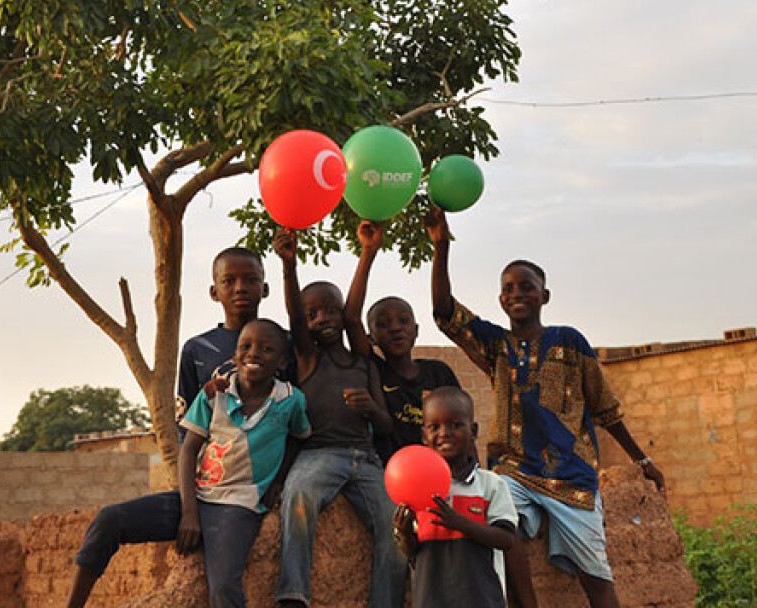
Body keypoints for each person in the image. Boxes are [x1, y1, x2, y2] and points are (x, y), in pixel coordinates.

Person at [425, 209, 666, 608]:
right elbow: (444, 313)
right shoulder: (496, 346)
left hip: (573, 475)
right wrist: (440, 246)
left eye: (527, 287)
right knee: (505, 530)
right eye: (508, 289)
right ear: (501, 300)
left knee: (596, 576)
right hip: (514, 469)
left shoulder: (571, 342)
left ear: (544, 296)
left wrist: (642, 461)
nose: (517, 294)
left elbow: (606, 410)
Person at [66, 319, 310, 608]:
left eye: (266, 349)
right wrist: (189, 513)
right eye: (245, 346)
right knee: (109, 519)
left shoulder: (290, 401)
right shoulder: (214, 395)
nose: (254, 353)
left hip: (238, 506)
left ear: (282, 362)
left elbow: (299, 438)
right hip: (196, 498)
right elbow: (189, 450)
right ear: (234, 356)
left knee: (223, 588)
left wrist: (279, 479)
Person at [273, 227, 407, 608]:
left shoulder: (364, 363)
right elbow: (294, 317)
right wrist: (289, 266)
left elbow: (385, 425)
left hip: (366, 458)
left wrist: (371, 409)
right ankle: (293, 594)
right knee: (299, 497)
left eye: (331, 310)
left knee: (396, 525)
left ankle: (385, 602)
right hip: (318, 453)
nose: (324, 318)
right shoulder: (306, 357)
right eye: (313, 314)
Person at [345, 219, 461, 463]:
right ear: (371, 338)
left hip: (437, 471)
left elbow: (462, 424)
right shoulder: (376, 371)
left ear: (416, 330)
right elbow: (351, 318)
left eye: (403, 321)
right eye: (383, 324)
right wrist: (368, 251)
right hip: (392, 473)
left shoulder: (438, 374)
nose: (395, 328)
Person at [392, 386, 517, 608]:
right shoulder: (415, 488)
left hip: (482, 601)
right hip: (431, 600)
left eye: (456, 425)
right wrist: (405, 533)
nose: (445, 433)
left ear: (473, 431)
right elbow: (411, 553)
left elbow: (506, 539)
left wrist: (460, 523)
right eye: (434, 427)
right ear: (424, 436)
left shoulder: (490, 485)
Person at [176, 247, 271, 425]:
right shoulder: (197, 349)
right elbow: (186, 418)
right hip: (216, 442)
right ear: (214, 292)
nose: (240, 288)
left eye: (251, 280)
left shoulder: (285, 343)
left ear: (264, 289)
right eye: (229, 281)